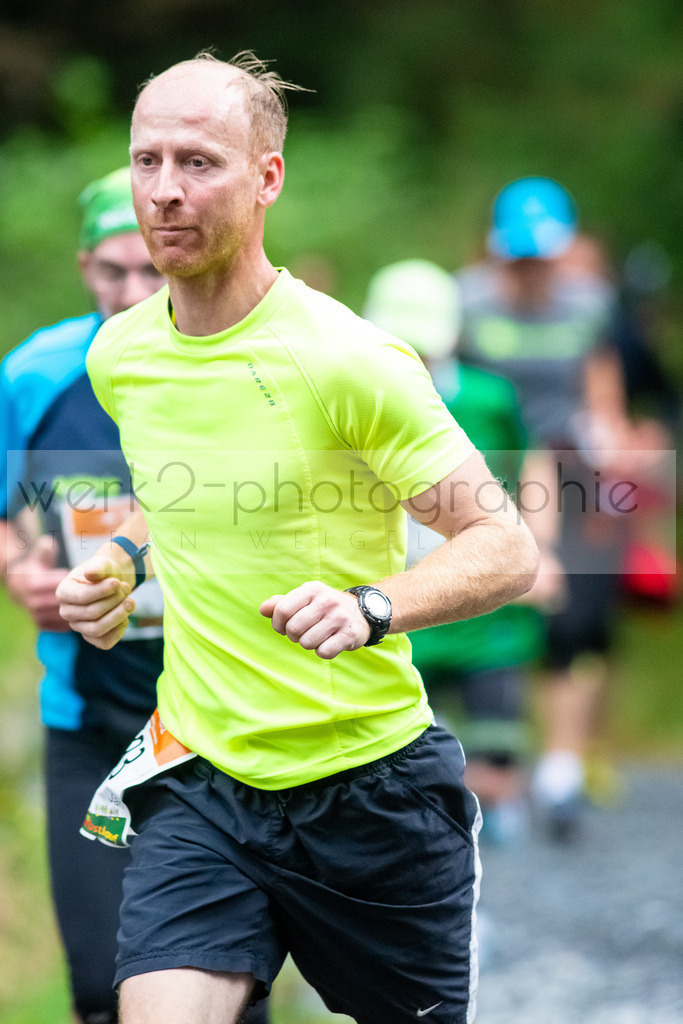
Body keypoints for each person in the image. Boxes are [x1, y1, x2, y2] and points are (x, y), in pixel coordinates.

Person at [56, 52, 538, 1024]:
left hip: (370, 789)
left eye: (198, 163)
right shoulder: (121, 356)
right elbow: (181, 493)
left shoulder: (348, 360)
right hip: (201, 776)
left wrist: (373, 606)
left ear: (267, 177)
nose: (164, 192)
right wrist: (118, 562)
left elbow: (504, 545)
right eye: (147, 162)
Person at [0, 168, 166, 1023]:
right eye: (112, 271)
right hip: (90, 722)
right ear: (82, 267)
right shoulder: (35, 376)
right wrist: (20, 567)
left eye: (150, 269)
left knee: (226, 985)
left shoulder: (228, 365)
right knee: (102, 991)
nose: (133, 291)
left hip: (220, 721)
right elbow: (7, 515)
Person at [455, 176, 636, 838]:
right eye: (519, 255)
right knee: (491, 609)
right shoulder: (466, 301)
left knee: (573, 615)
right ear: (498, 251)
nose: (531, 268)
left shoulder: (588, 304)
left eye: (542, 255)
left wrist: (617, 447)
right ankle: (486, 763)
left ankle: (560, 771)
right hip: (486, 466)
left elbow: (601, 392)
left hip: (567, 467)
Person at [364, 258, 546, 847]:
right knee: (409, 767)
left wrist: (537, 550)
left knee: (498, 757)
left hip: (482, 602)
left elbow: (530, 470)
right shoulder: (354, 394)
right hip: (394, 596)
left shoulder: (490, 399)